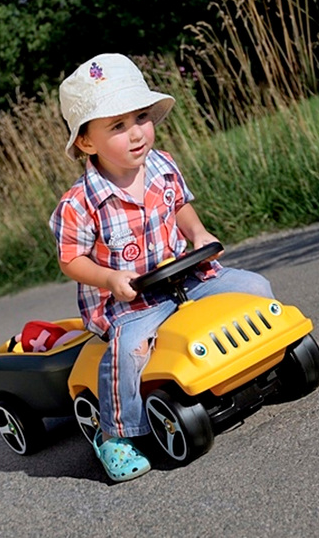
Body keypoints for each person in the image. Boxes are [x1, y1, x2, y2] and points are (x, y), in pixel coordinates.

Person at [49, 53, 274, 482]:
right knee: (129, 349)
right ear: (86, 142)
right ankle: (117, 434)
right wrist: (110, 278)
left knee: (255, 288)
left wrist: (199, 234)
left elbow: (181, 207)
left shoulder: (163, 165)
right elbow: (71, 260)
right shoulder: (79, 204)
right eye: (117, 126)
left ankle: (265, 360)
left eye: (141, 117)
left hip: (187, 274)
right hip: (131, 302)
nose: (136, 133)